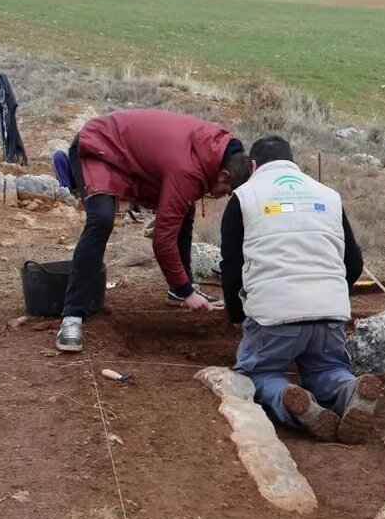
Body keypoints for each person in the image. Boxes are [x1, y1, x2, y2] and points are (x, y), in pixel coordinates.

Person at [220, 135, 379, 444]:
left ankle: (290, 400)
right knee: (327, 367)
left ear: (253, 165)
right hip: (329, 314)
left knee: (258, 374)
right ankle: (348, 390)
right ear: (293, 162)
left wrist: (236, 312)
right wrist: (329, 295)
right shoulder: (329, 195)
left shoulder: (244, 197)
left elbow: (231, 265)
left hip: (274, 316)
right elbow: (354, 262)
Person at [55, 109, 248, 353]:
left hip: (129, 153)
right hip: (100, 145)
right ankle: (72, 316)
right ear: (224, 174)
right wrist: (188, 293)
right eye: (227, 189)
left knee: (183, 210)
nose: (221, 196)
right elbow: (162, 242)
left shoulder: (215, 149)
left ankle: (177, 290)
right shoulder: (188, 169)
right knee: (101, 219)